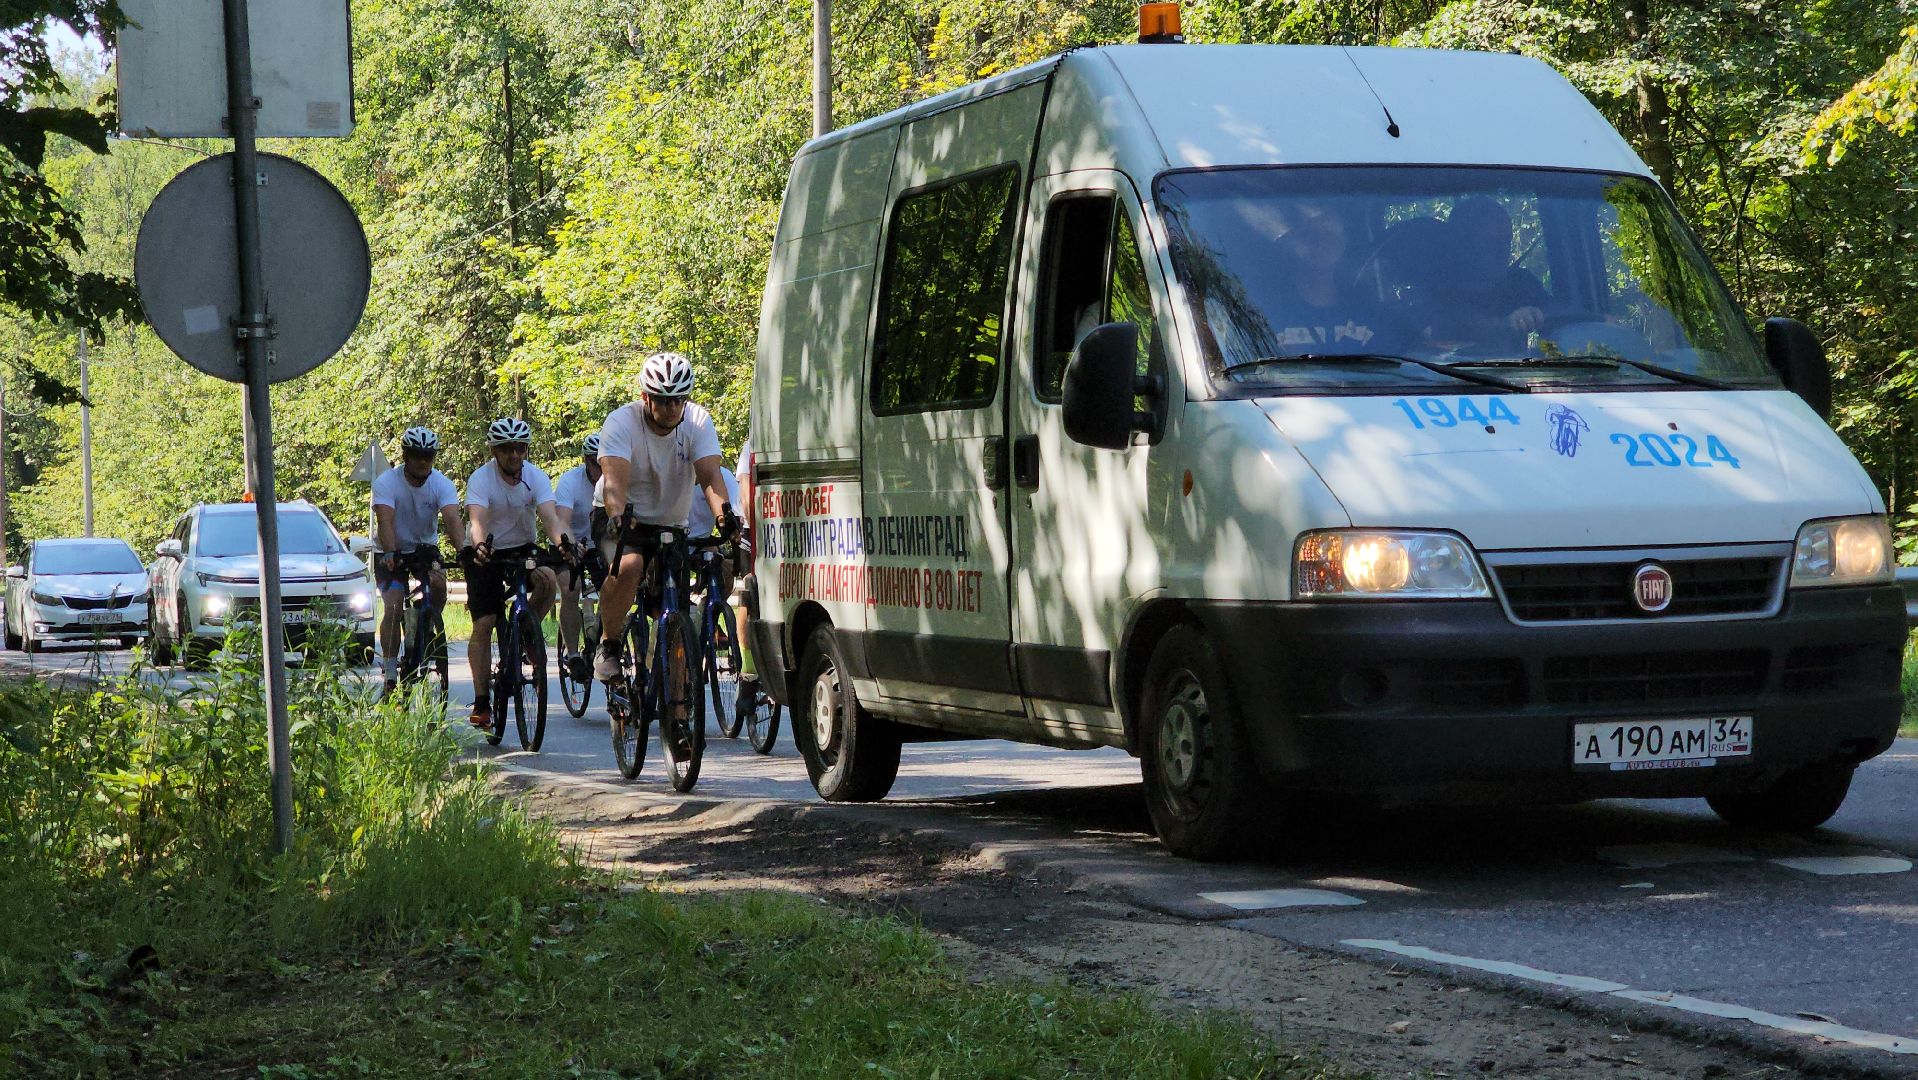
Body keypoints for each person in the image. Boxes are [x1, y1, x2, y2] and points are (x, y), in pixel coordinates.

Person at [591, 352, 738, 682]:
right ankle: (609, 644)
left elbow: (710, 477)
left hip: (670, 524)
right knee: (630, 566)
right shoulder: (622, 422)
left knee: (673, 618)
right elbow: (614, 482)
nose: (672, 408)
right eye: (663, 400)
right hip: (619, 515)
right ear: (645, 397)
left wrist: (724, 517)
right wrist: (617, 516)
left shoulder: (697, 422)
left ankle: (679, 707)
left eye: (678, 400)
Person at [462, 417, 573, 728]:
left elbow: (550, 518)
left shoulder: (535, 477)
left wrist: (563, 543)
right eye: (507, 449)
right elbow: (477, 519)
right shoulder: (481, 479)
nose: (514, 454)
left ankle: (525, 633)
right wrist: (480, 545)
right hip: (487, 550)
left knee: (547, 579)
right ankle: (482, 701)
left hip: (522, 547)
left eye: (520, 448)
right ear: (494, 451)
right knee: (484, 623)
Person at [370, 426, 461, 693]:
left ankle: (427, 625)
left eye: (428, 456)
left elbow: (453, 519)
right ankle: (390, 673)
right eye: (417, 455)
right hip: (391, 549)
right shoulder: (387, 482)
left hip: (424, 549)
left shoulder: (442, 483)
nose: (423, 461)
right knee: (394, 606)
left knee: (439, 584)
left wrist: (464, 551)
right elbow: (385, 521)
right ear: (406, 456)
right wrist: (390, 552)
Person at [1427, 195, 1553, 350]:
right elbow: (1458, 322)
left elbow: (1561, 313)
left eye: (1506, 241)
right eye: (1489, 242)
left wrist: (1539, 315)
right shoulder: (1437, 291)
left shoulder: (1521, 282)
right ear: (1463, 245)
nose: (1502, 250)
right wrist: (1507, 323)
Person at [552, 433, 602, 682]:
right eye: (594, 463)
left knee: (615, 585)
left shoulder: (617, 479)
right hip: (569, 541)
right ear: (585, 461)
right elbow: (562, 520)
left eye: (603, 462)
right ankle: (573, 655)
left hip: (600, 545)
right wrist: (571, 545)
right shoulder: (570, 481)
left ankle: (599, 638)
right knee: (571, 589)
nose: (599, 469)